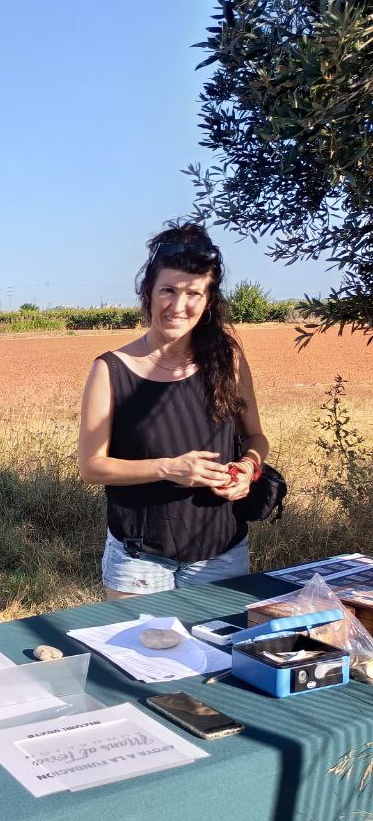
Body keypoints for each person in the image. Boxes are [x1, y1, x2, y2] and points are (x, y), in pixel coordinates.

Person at [78, 221, 269, 598]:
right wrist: (170, 468)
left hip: (223, 553)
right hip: (139, 561)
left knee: (220, 656)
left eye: (194, 293)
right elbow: (91, 466)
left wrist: (248, 468)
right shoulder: (110, 370)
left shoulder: (227, 359)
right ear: (147, 293)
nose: (179, 306)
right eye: (168, 290)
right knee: (139, 658)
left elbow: (255, 437)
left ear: (209, 300)